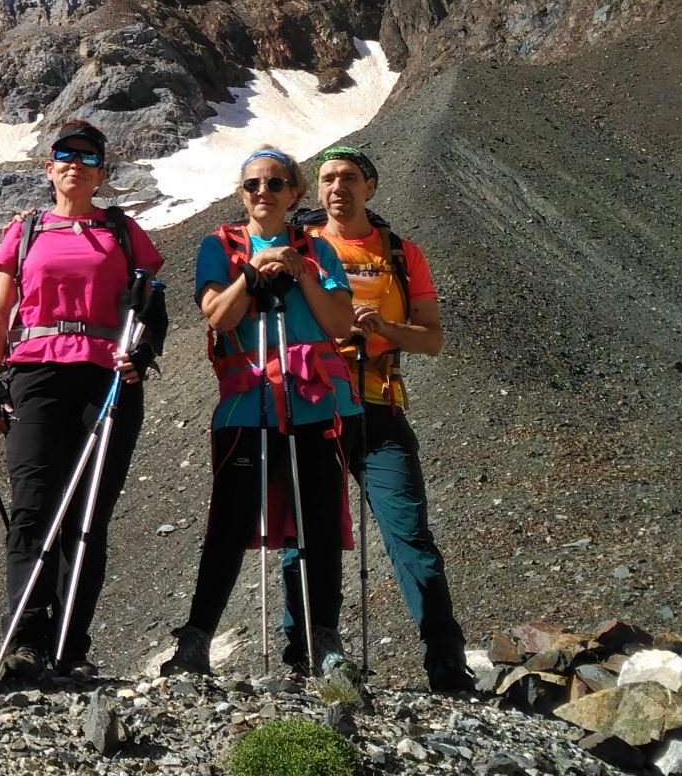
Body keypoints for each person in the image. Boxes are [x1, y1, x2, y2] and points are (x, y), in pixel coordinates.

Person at [0, 120, 169, 682]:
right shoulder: (27, 229)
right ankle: (28, 638)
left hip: (107, 376)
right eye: (65, 154)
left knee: (88, 514)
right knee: (33, 508)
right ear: (49, 167)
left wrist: (145, 351)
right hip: (36, 373)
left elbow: (151, 307)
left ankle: (70, 643)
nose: (75, 164)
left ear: (102, 173)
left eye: (88, 157)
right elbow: (0, 312)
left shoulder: (124, 232)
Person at [163, 149, 360, 679]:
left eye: (275, 184)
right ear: (241, 191)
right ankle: (196, 640)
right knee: (228, 522)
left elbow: (341, 325)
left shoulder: (318, 250)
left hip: (314, 404)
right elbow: (216, 314)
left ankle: (325, 642)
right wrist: (252, 275)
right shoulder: (219, 247)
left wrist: (304, 274)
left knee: (319, 522)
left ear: (295, 193)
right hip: (248, 406)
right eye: (253, 184)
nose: (263, 193)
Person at [302, 142, 471, 693]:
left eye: (348, 177)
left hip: (379, 406)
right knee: (311, 534)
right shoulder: (301, 248)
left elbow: (434, 338)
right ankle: (305, 652)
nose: (336, 187)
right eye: (327, 178)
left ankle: (446, 661)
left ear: (369, 187)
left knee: (411, 534)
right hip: (315, 404)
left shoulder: (402, 255)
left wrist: (384, 332)